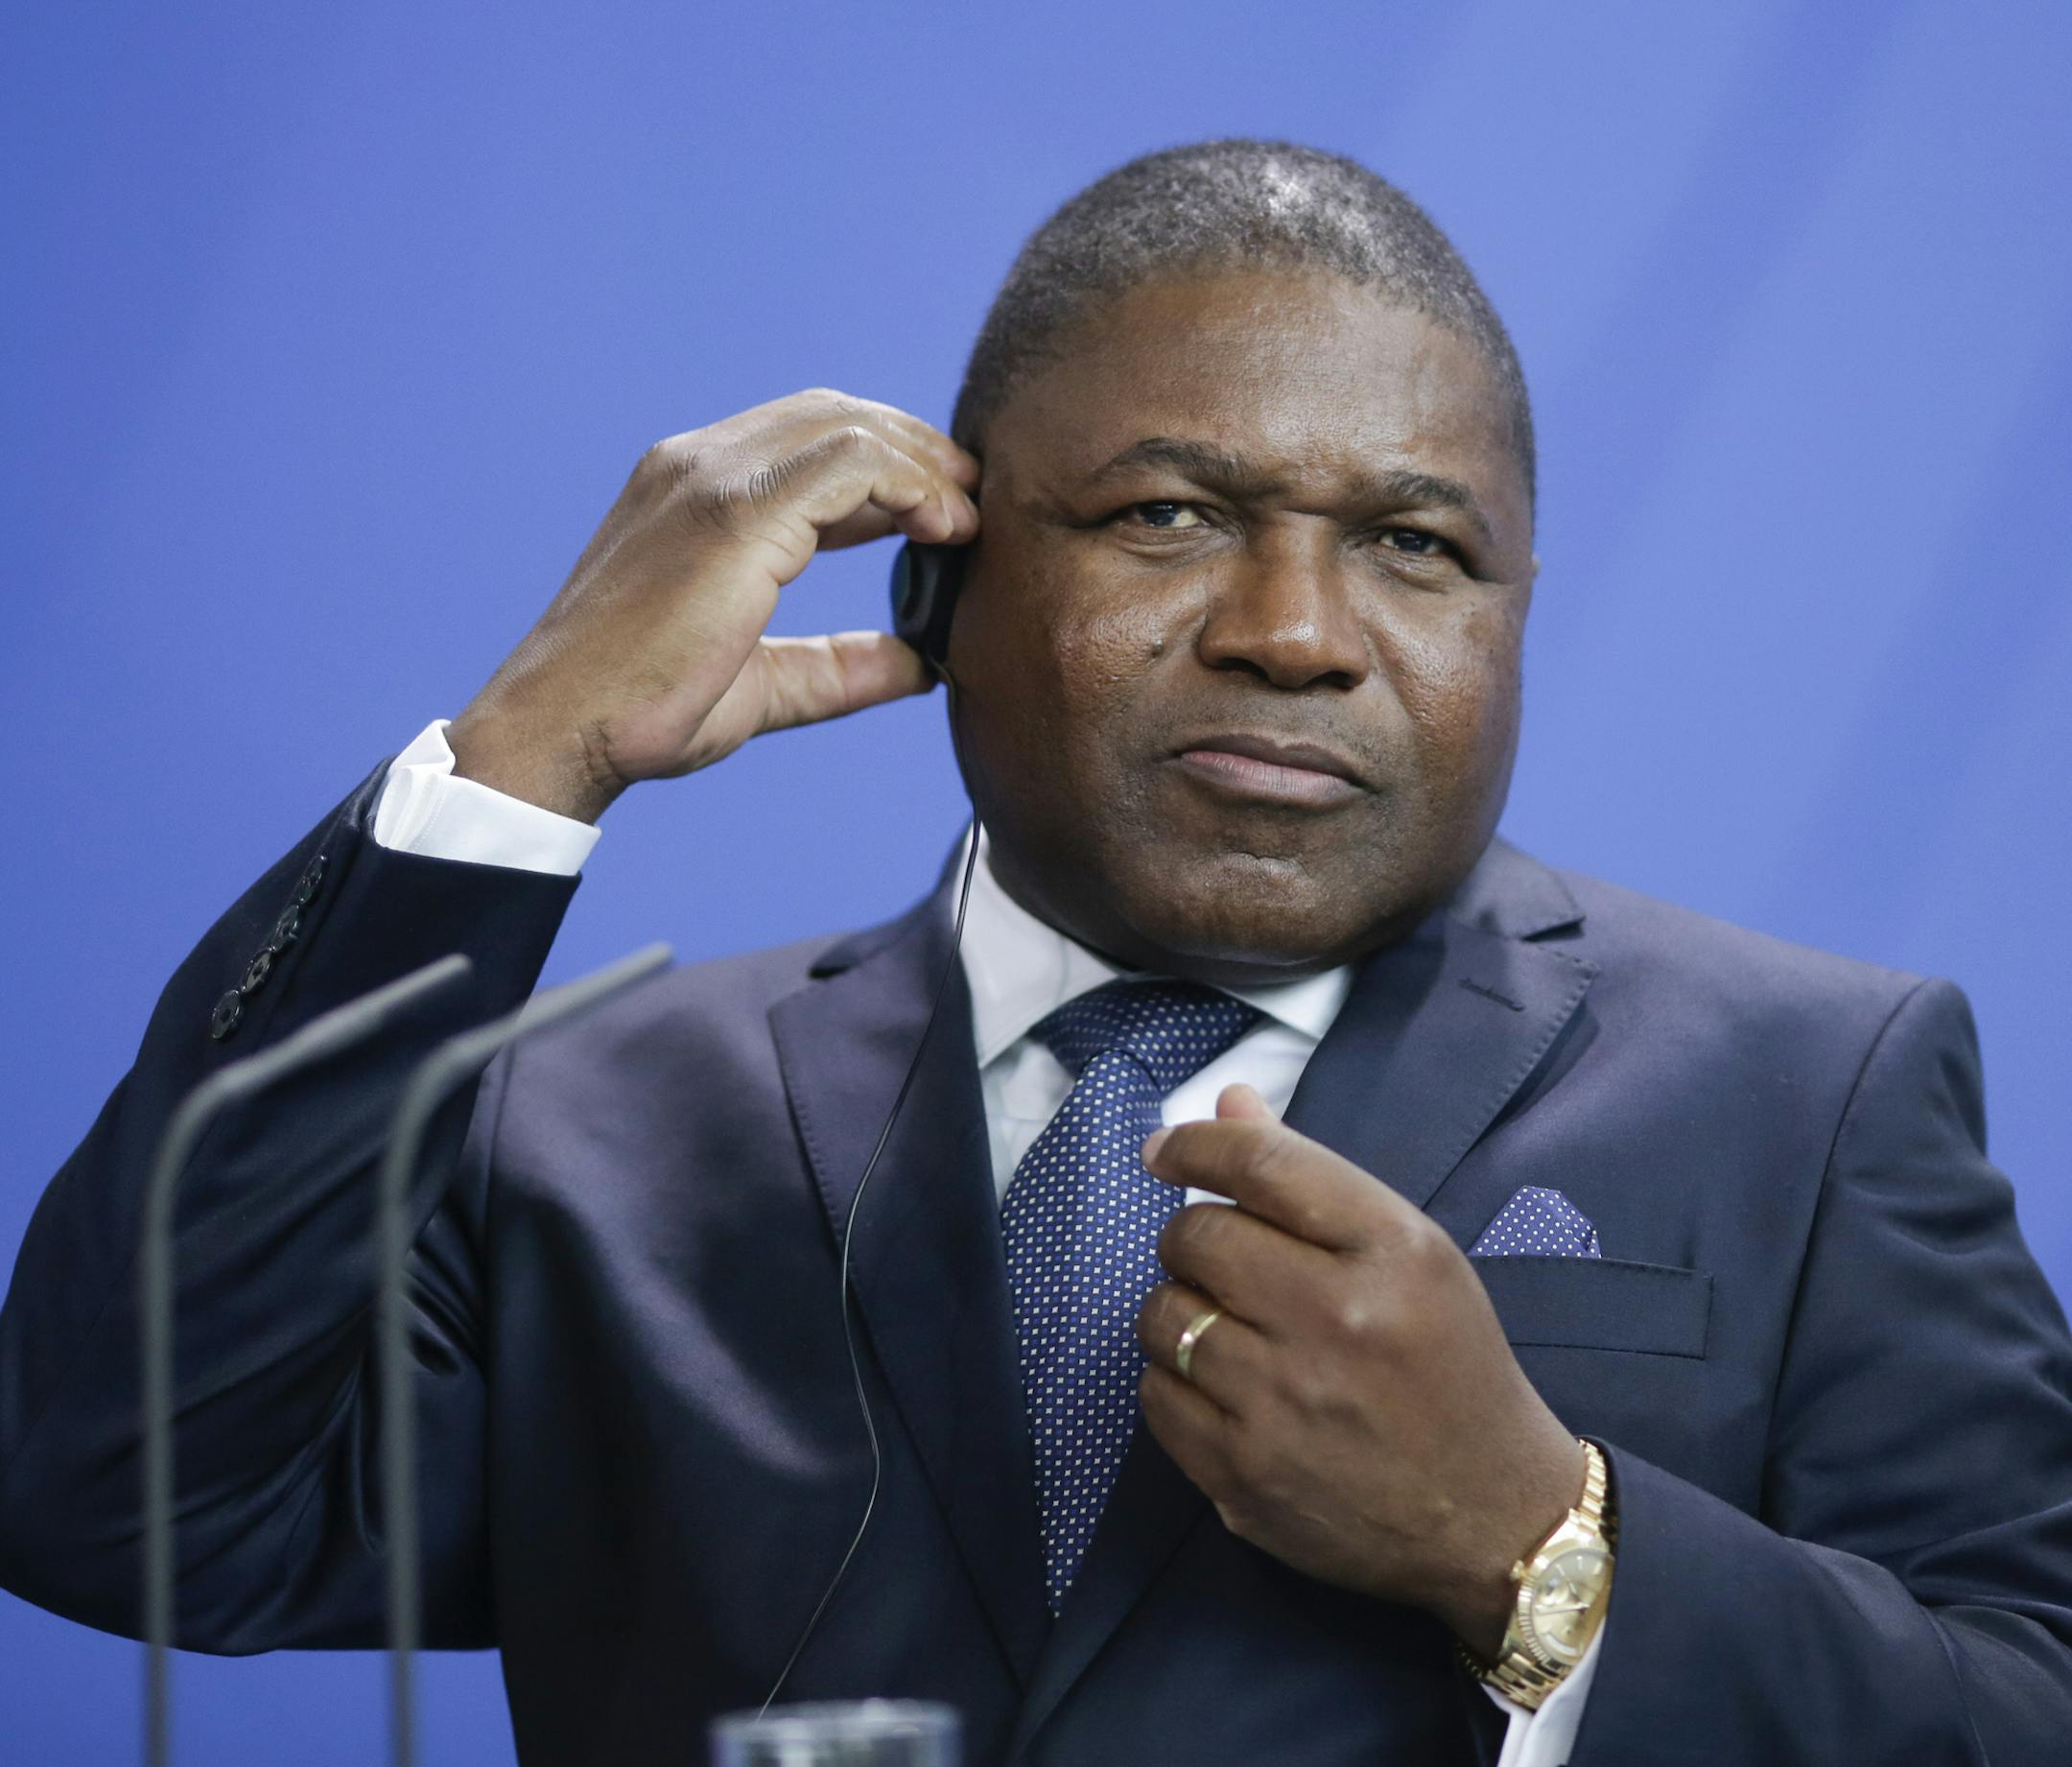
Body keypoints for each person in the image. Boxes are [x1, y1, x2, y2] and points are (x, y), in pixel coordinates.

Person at [3, 137, 2070, 1767]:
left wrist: (1537, 1545)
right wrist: (526, 750)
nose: (1297, 629)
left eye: (1416, 545)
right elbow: (118, 1495)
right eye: (1170, 515)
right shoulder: (592, 1116)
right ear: (938, 583)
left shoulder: (1815, 1086)